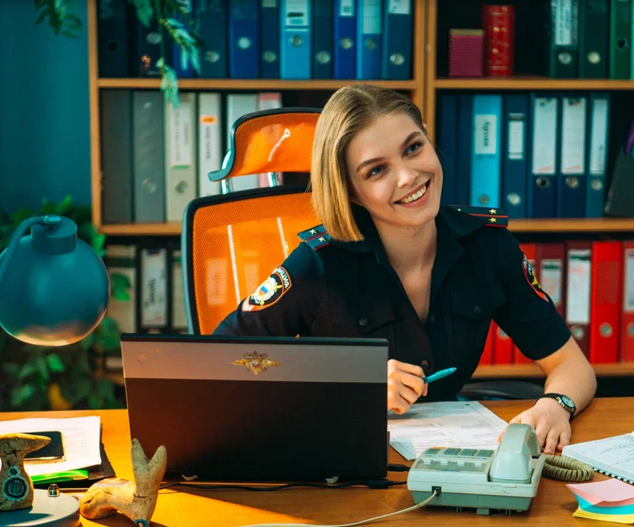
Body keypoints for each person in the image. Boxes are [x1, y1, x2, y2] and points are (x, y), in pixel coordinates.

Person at [214, 85, 597, 454]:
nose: (408, 176)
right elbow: (222, 363)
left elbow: (570, 364)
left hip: (451, 456)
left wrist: (555, 404)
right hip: (347, 466)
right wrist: (353, 381)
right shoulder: (320, 262)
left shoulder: (488, 246)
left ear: (429, 140)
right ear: (349, 190)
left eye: (413, 148)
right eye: (376, 171)